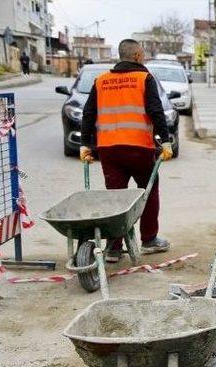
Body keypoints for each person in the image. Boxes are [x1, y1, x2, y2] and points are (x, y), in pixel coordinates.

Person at [80, 39, 172, 262]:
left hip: (109, 150)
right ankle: (149, 239)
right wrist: (166, 141)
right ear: (138, 56)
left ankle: (113, 248)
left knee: (116, 197)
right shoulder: (144, 78)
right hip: (138, 147)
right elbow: (155, 110)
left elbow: (88, 113)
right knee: (147, 192)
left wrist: (85, 144)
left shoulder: (101, 81)